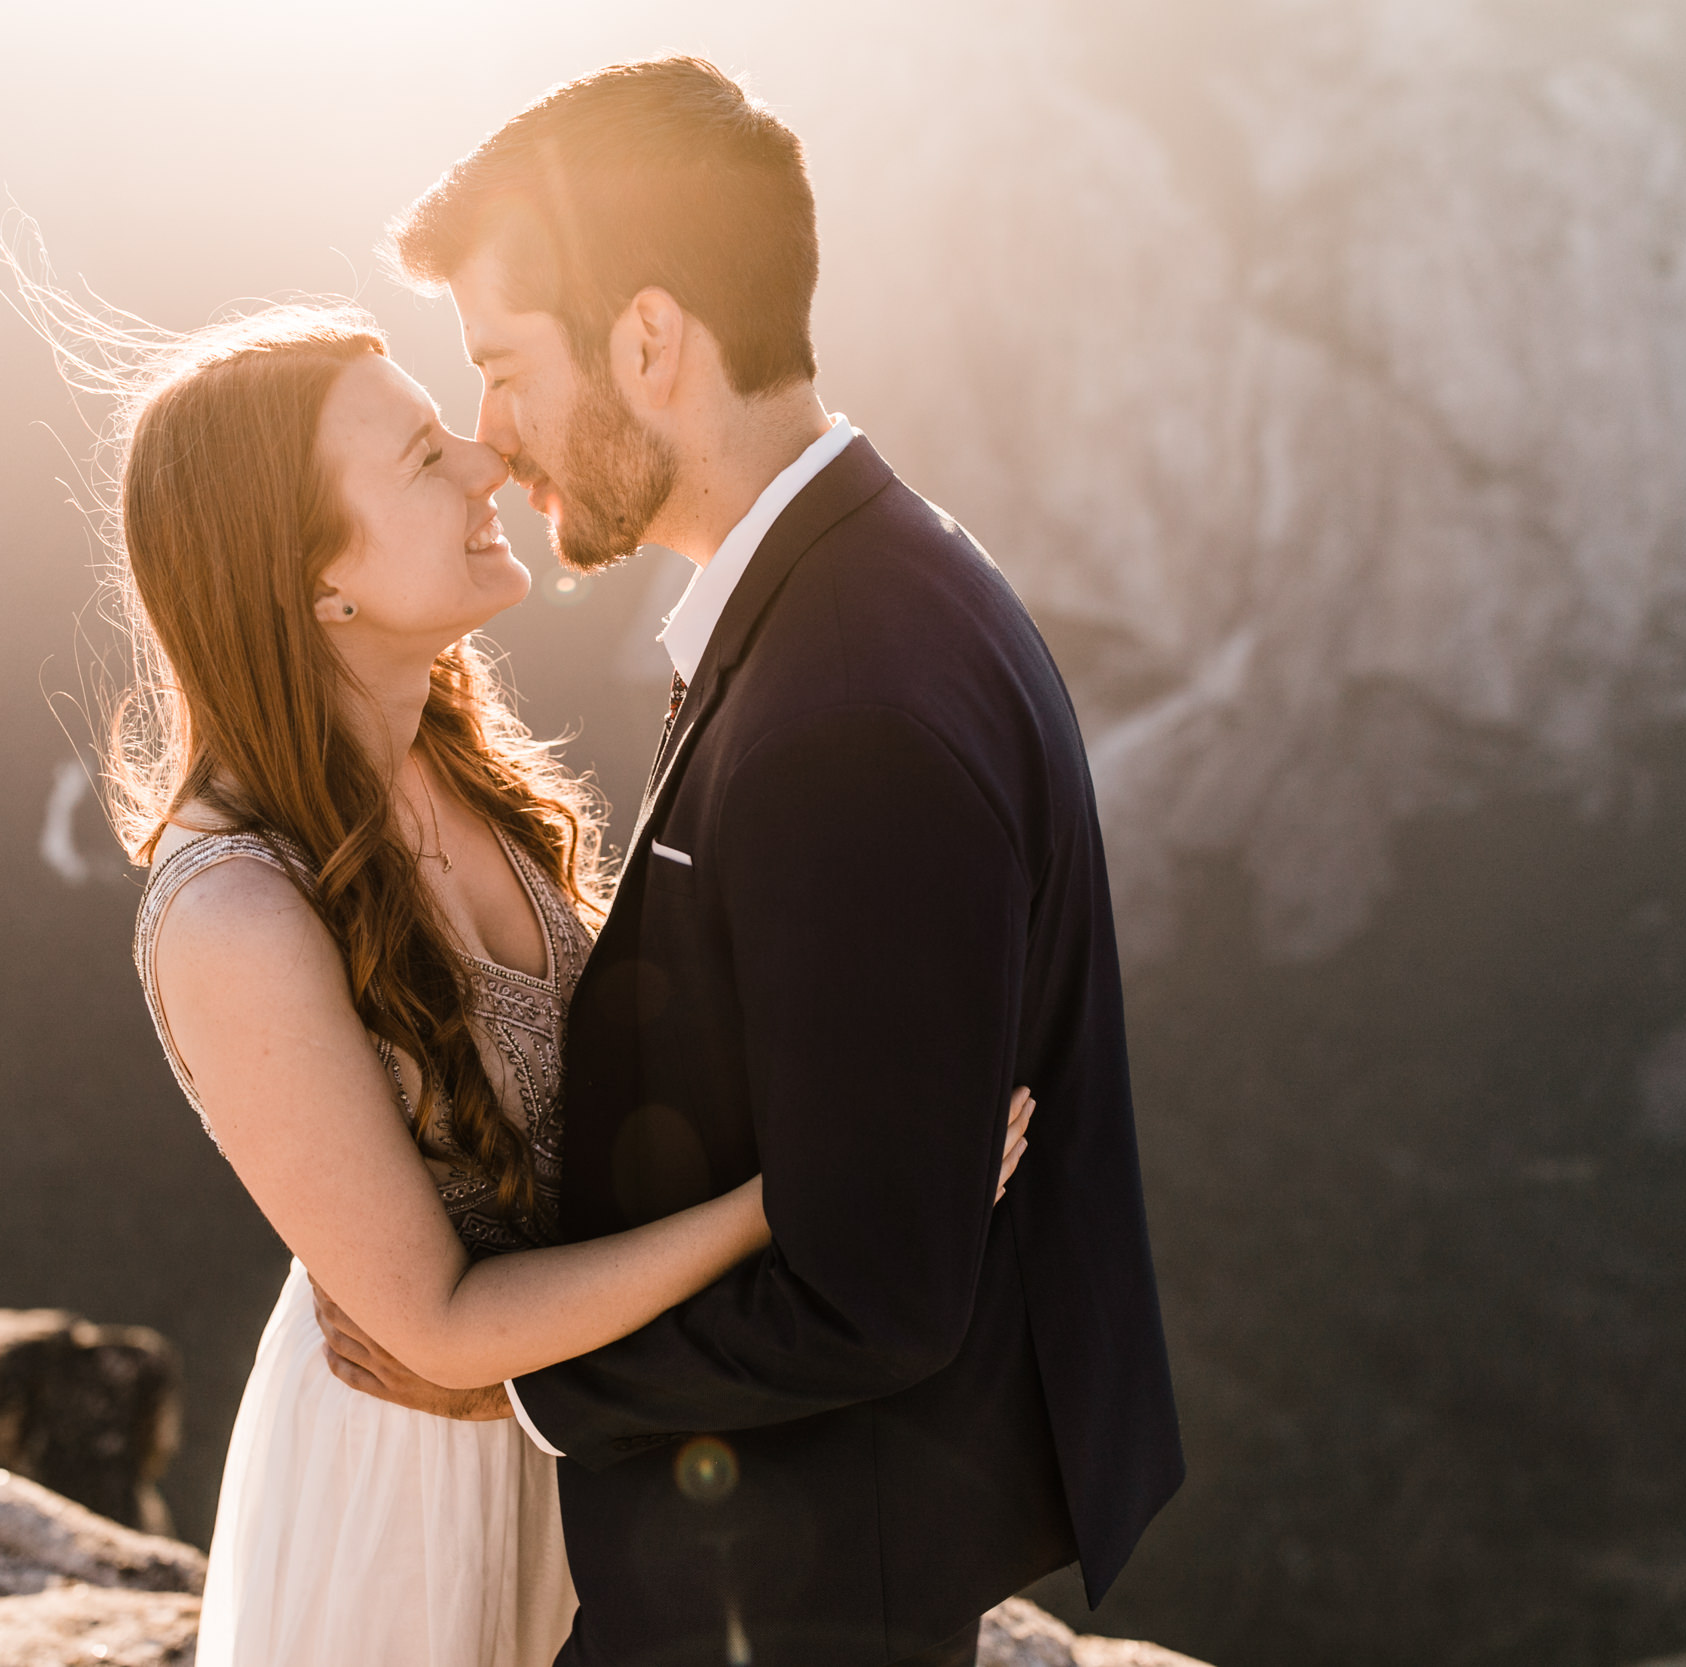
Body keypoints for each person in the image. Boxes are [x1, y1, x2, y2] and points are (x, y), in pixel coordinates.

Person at [310, 57, 1184, 1667]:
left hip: (790, 1592)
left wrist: (506, 1379)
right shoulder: (863, 582)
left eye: (503, 365)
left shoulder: (850, 704)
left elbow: (876, 1297)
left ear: (650, 341)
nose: (490, 442)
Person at [115, 305, 1034, 1666]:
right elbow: (433, 1328)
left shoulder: (454, 752)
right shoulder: (235, 912)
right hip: (421, 1502)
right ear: (317, 583)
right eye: (425, 460)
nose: (488, 464)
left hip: (599, 1433)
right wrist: (795, 1207)